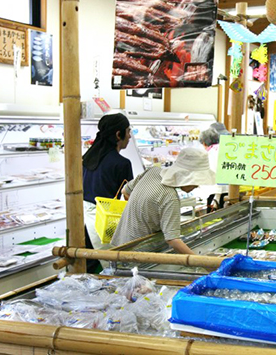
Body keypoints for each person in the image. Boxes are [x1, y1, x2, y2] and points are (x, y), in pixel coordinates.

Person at [111, 147, 215, 254]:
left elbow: (125, 191)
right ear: (186, 177)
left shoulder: (152, 171)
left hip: (120, 244)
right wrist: (200, 261)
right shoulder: (170, 197)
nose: (197, 185)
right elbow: (173, 240)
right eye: (196, 181)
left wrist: (143, 214)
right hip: (139, 255)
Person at [82, 113, 133, 272]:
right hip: (104, 223)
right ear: (119, 134)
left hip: (81, 222)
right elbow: (129, 196)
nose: (130, 136)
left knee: (87, 267)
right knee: (108, 269)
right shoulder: (122, 164)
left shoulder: (86, 158)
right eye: (128, 131)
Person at [199, 126, 229, 212]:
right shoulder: (224, 148)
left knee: (214, 217)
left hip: (215, 192)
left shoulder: (208, 153)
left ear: (204, 143)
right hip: (229, 189)